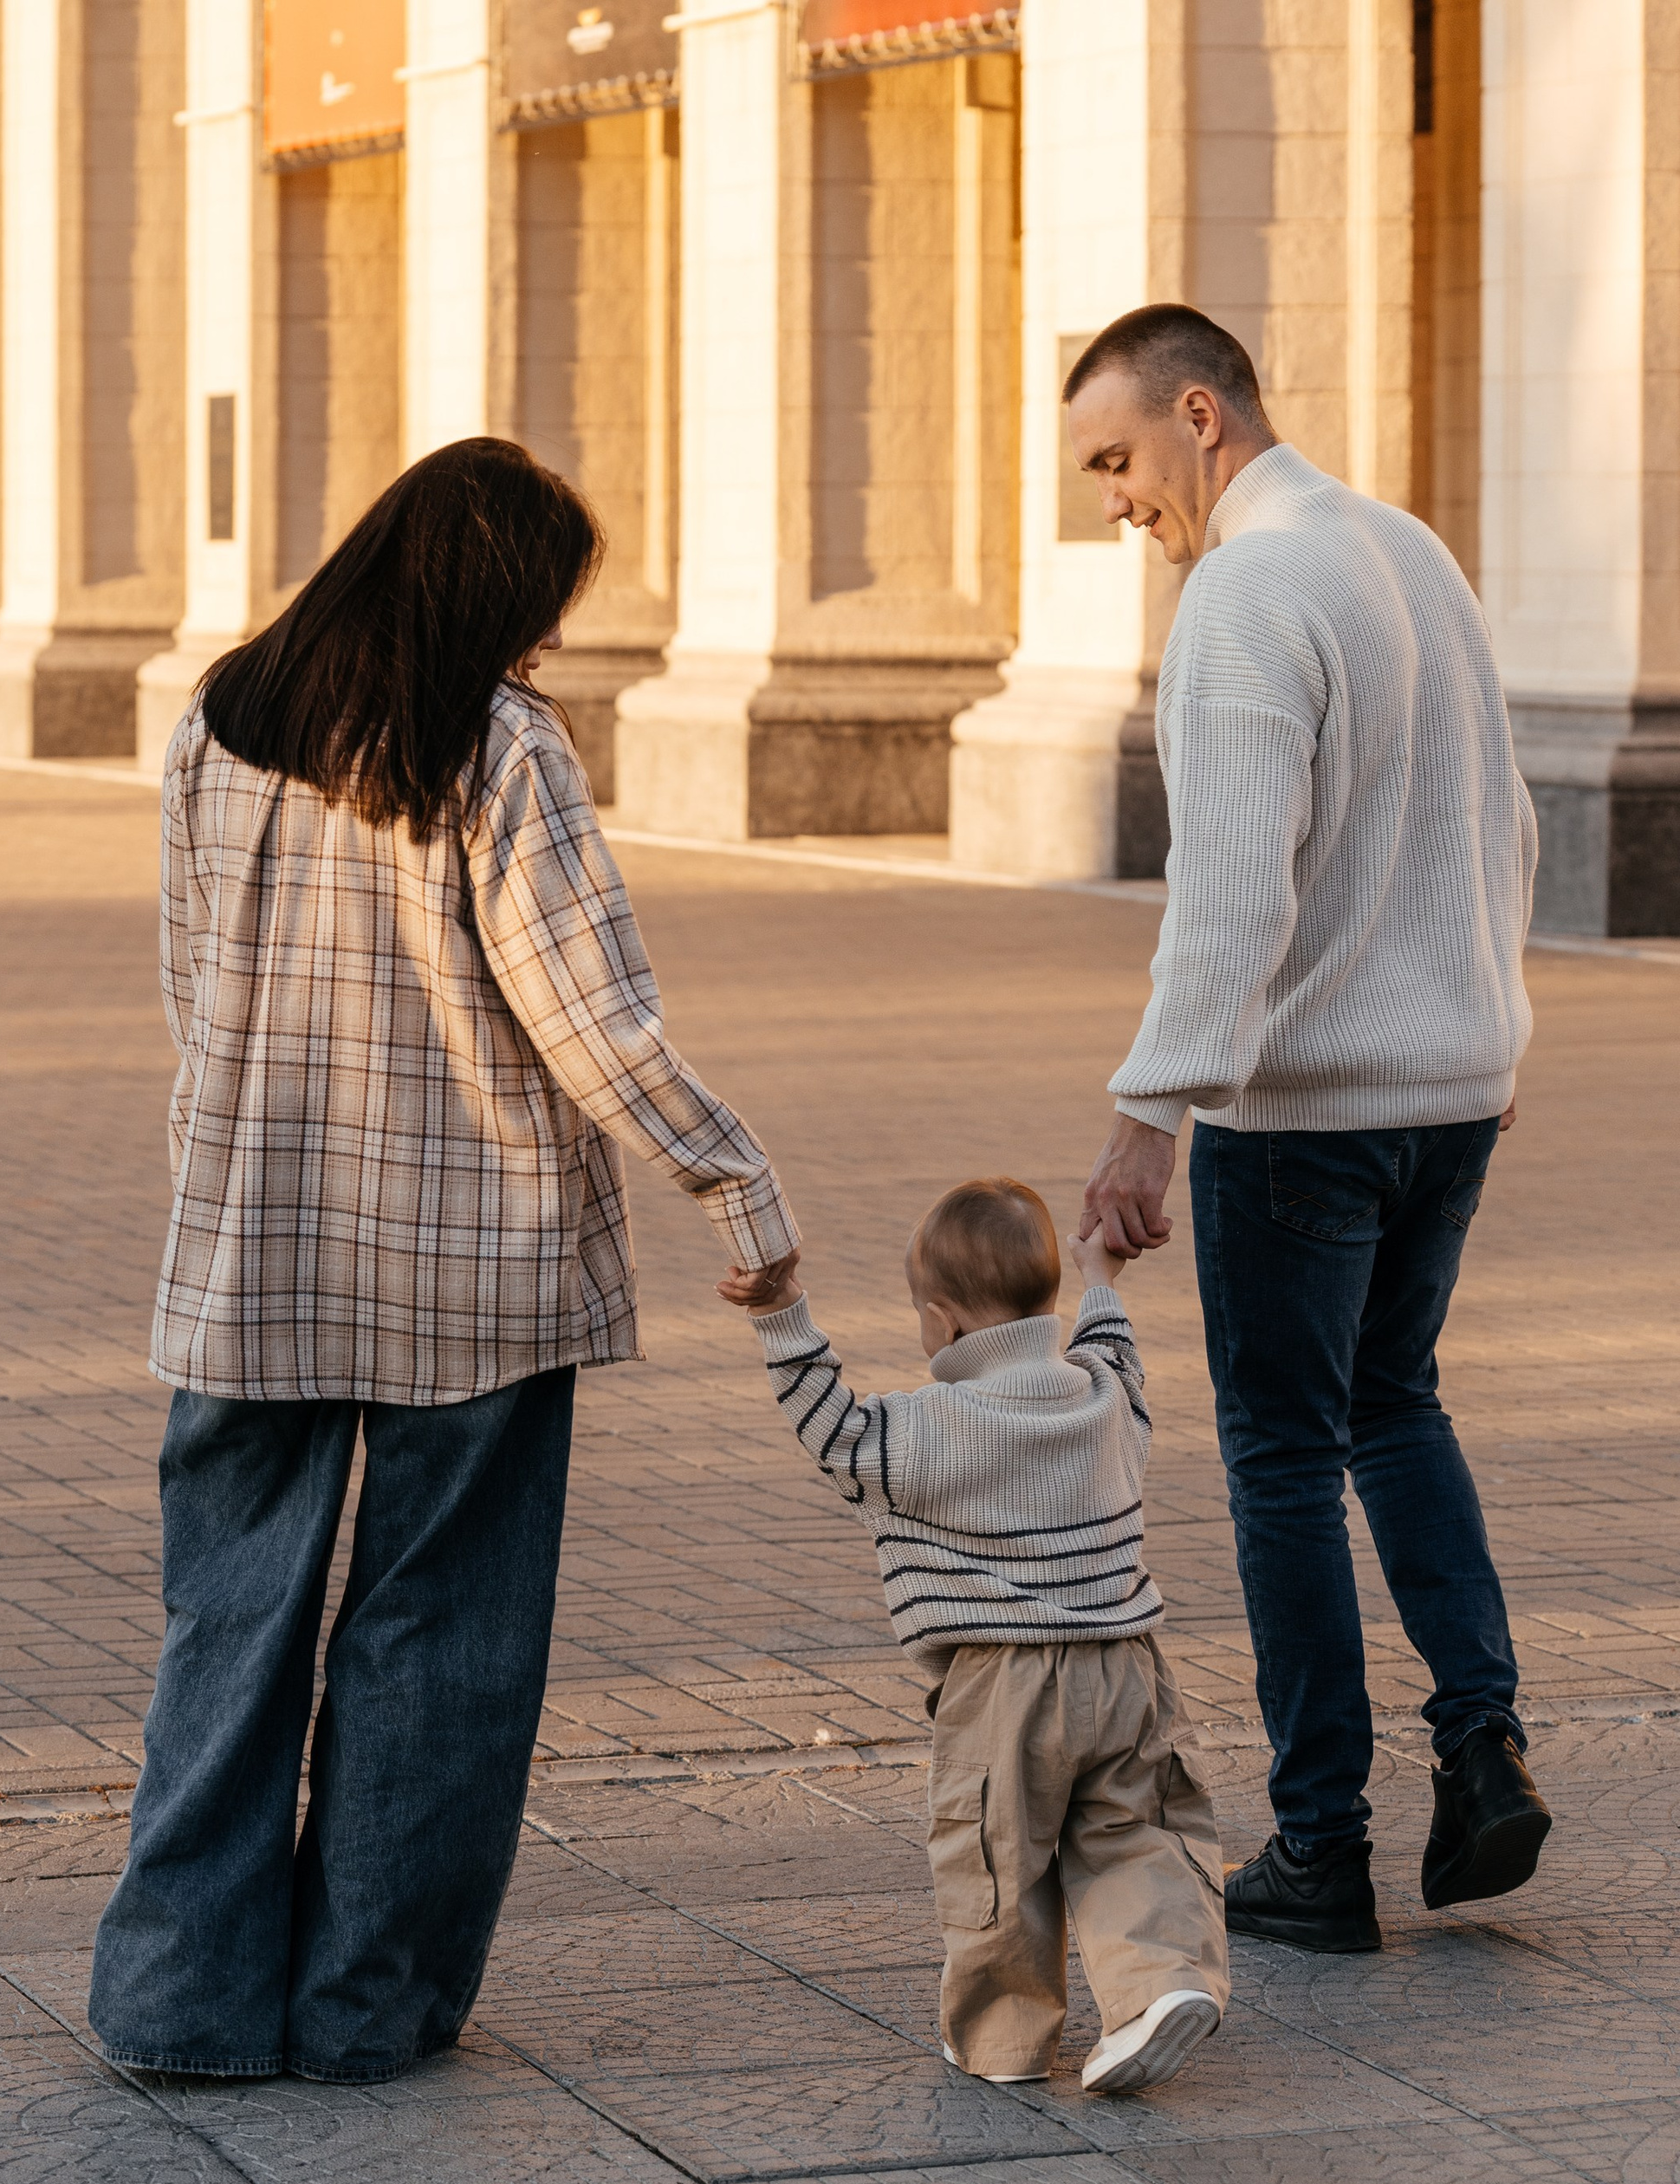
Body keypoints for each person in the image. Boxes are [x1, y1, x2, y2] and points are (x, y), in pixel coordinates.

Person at [88, 437, 800, 2083]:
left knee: (229, 1628)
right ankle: (368, 2008)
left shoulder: (223, 716)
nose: (546, 640)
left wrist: (232, 1182)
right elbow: (589, 1020)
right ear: (491, 591)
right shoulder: (491, 743)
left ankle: (177, 2006)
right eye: (542, 604)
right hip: (474, 1272)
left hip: (250, 1264)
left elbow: (195, 997)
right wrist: (738, 1188)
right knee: (438, 1649)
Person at [1069, 303, 1550, 1955]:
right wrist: (1493, 1013)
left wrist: (1151, 1116)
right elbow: (1508, 811)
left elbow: (1228, 890)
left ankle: (1320, 1848)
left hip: (1309, 1111)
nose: (1114, 504)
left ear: (1202, 416)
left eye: (1120, 460)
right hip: (1455, 1083)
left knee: (1282, 1455)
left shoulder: (1244, 594)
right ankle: (1482, 1748)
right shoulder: (1407, 550)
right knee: (1394, 1406)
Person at [722, 1177, 1227, 2095]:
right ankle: (1159, 1987)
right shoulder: (1105, 1397)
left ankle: (1002, 2041)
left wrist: (782, 1312)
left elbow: (828, 1427)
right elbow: (1116, 1346)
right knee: (1138, 1833)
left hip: (999, 1686)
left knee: (996, 1854)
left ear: (941, 1322)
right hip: (1129, 1673)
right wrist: (1098, 1275)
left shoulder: (921, 1429)